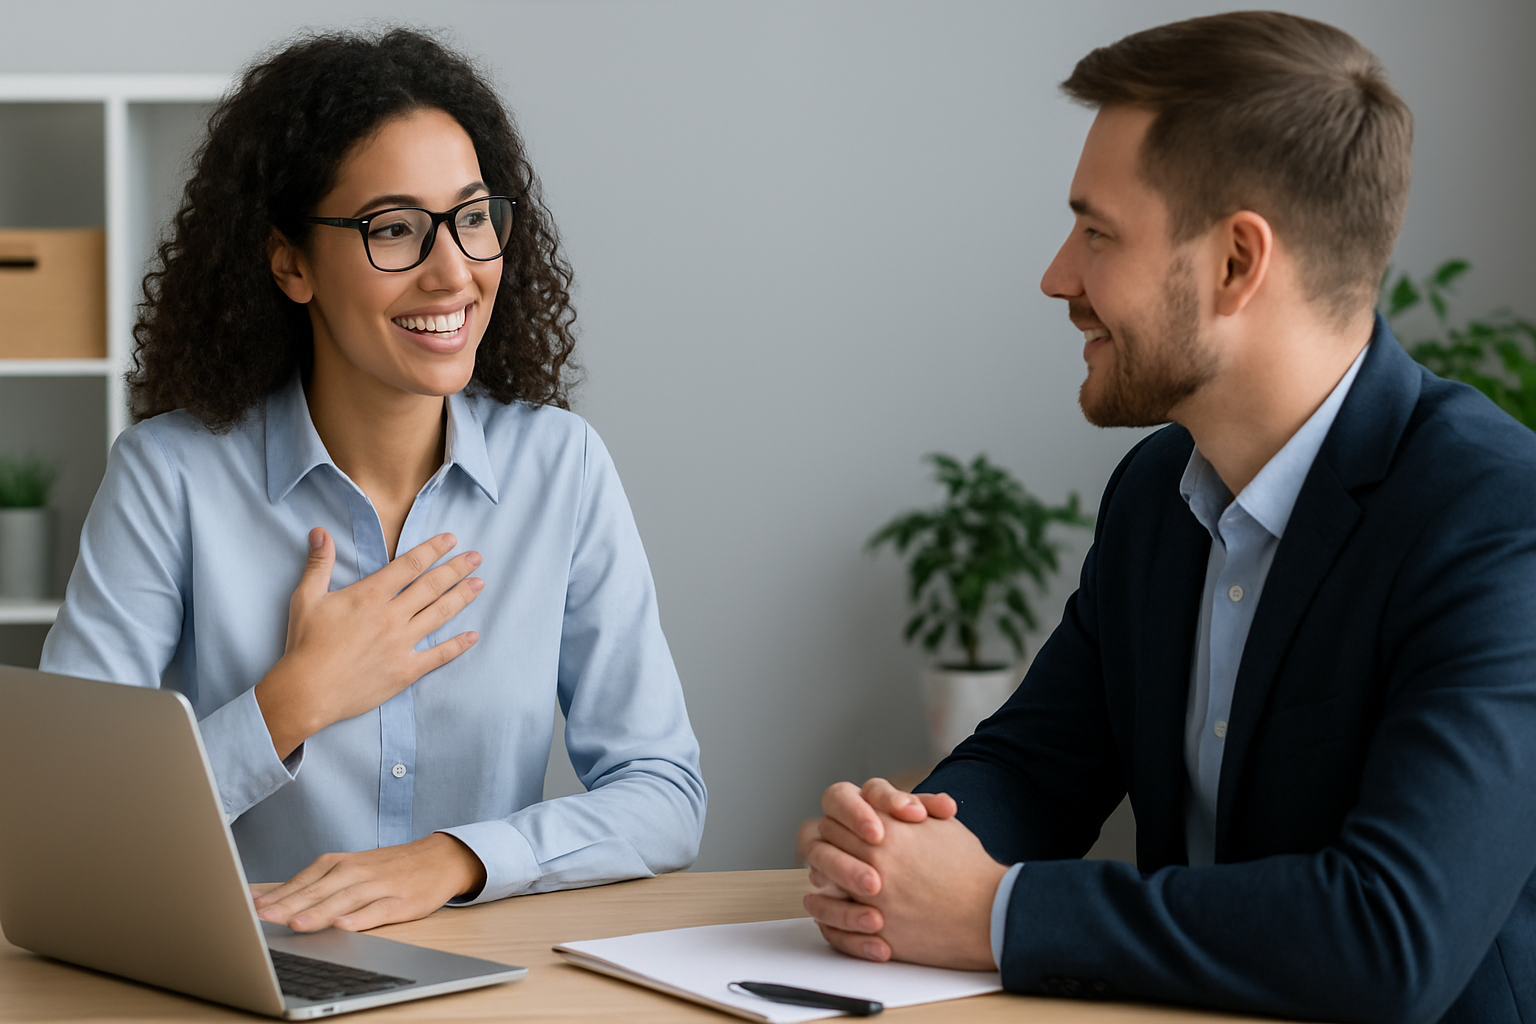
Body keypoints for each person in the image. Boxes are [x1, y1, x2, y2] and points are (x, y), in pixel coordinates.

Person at [801, 12, 1536, 1023]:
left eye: (1098, 233)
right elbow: (1035, 760)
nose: (1058, 276)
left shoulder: (1497, 517)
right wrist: (907, 844)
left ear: (1237, 262)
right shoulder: (1157, 492)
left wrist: (996, 910)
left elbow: (1391, 932)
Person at [40, 29, 705, 933]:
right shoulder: (170, 476)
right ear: (290, 263)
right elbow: (68, 826)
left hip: (486, 979)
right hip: (248, 972)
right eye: (393, 228)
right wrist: (290, 703)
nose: (453, 271)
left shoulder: (562, 466)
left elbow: (664, 793)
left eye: (473, 218)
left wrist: (455, 860)